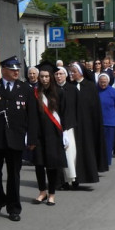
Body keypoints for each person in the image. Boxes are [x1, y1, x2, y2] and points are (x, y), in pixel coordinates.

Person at [0, 55, 38, 221]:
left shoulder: (26, 89)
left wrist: (32, 139)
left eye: (17, 69)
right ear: (4, 70)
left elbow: (32, 116)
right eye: (12, 69)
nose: (16, 72)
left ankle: (14, 208)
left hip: (16, 138)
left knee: (13, 175)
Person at [31, 64, 65, 207]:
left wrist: (65, 133)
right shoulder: (35, 93)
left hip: (53, 134)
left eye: (46, 76)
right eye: (42, 76)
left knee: (52, 165)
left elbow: (64, 113)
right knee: (39, 165)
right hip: (38, 134)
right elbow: (31, 115)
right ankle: (42, 191)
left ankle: (51, 194)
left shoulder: (59, 92)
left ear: (51, 77)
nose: (44, 79)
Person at [67, 62, 105, 184]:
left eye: (74, 72)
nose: (72, 74)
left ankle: (88, 176)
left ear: (81, 72)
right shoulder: (69, 86)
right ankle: (74, 178)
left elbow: (95, 108)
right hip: (73, 124)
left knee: (86, 150)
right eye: (71, 72)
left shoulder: (90, 86)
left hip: (87, 125)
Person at [97, 71, 115, 166]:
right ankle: (99, 162)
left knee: (108, 145)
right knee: (98, 145)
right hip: (98, 123)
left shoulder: (113, 91)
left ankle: (106, 162)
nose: (103, 84)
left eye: (105, 82)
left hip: (110, 123)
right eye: (101, 82)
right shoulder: (95, 91)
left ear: (108, 81)